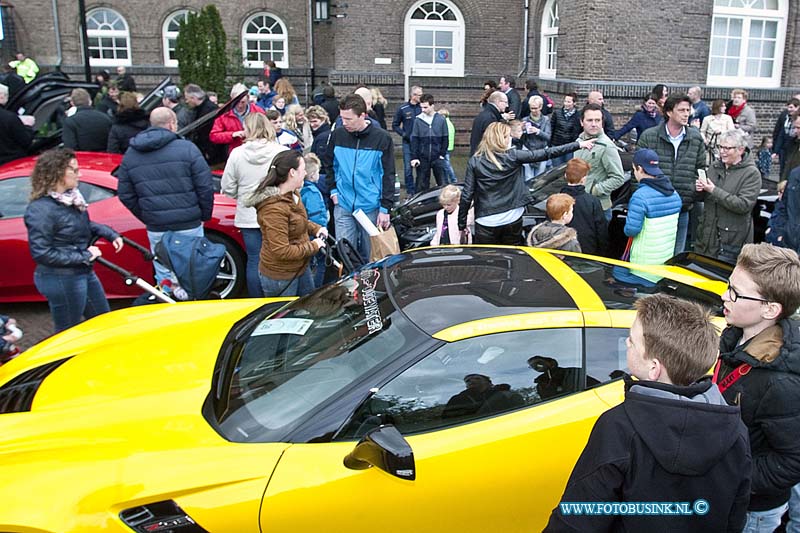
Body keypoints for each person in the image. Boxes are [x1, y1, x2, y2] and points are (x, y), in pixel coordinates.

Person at [545, 294, 751, 532]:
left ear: (654, 368)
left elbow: (579, 518)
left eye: (632, 340)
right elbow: (735, 517)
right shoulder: (735, 430)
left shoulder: (619, 427)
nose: (626, 343)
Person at [714, 243, 800, 532]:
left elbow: (791, 461)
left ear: (770, 309)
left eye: (735, 292)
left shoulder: (781, 383)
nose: (725, 296)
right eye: (729, 285)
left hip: (752, 511)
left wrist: (732, 476)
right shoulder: (736, 333)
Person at [24, 148, 124, 333]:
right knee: (67, 331)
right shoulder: (41, 210)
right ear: (58, 173)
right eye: (74, 170)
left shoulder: (71, 199)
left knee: (103, 320)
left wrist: (109, 233)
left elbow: (78, 225)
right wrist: (85, 255)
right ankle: (63, 361)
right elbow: (41, 252)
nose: (80, 174)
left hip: (81, 271)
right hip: (61, 277)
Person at [116, 108, 213, 291]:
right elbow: (205, 186)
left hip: (157, 225)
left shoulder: (132, 154)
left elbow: (125, 193)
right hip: (189, 222)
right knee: (193, 270)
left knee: (163, 271)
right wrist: (203, 214)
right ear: (172, 124)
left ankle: (168, 303)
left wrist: (147, 215)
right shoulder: (187, 149)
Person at [459, 122, 592, 245]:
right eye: (508, 136)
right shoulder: (513, 156)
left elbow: (467, 194)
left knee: (488, 263)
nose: (510, 139)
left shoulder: (475, 161)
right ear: (502, 139)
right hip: (512, 216)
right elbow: (547, 153)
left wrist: (462, 224)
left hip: (486, 219)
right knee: (512, 257)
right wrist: (578, 144)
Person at [321, 94, 395, 262]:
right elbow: (329, 164)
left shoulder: (382, 138)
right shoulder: (337, 135)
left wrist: (385, 208)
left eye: (349, 119)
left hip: (371, 206)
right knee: (345, 256)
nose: (344, 122)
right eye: (342, 118)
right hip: (343, 204)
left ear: (362, 115)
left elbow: (388, 173)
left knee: (373, 256)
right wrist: (333, 191)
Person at [221, 113, 287, 298]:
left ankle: (256, 301)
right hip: (276, 212)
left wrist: (242, 197)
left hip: (248, 214)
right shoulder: (280, 151)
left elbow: (227, 186)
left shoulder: (237, 153)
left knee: (254, 260)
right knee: (278, 258)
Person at [246, 150, 327, 297]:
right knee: (285, 317)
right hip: (281, 277)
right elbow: (281, 250)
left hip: (300, 268)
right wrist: (313, 246)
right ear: (292, 173)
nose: (305, 173)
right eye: (302, 170)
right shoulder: (273, 210)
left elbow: (298, 222)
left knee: (308, 309)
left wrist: (316, 229)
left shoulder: (293, 193)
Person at [637, 93, 707, 254]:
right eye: (681, 110)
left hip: (682, 207)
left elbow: (701, 168)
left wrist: (693, 191)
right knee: (653, 254)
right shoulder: (649, 136)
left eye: (688, 110)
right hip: (655, 209)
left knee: (676, 257)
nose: (686, 114)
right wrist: (641, 202)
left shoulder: (695, 137)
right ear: (669, 112)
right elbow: (638, 171)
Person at [695, 129, 760, 264]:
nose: (722, 151)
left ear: (740, 150)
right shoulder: (715, 166)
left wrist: (714, 190)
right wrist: (700, 190)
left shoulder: (751, 173)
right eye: (720, 147)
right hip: (707, 236)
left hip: (730, 241)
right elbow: (704, 198)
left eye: (727, 148)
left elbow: (743, 205)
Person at [617, 149, 682, 285]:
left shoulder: (640, 197)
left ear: (639, 169)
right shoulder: (674, 194)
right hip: (663, 261)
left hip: (642, 264)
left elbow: (631, 230)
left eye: (634, 169)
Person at [573, 103, 626, 221]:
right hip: (579, 204)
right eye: (589, 120)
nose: (594, 124)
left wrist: (595, 190)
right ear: (582, 122)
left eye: (597, 120)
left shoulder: (607, 146)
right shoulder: (579, 141)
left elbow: (618, 178)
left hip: (598, 208)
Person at [560, 158, 607, 256]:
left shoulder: (556, 200)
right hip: (587, 251)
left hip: (561, 250)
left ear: (565, 175)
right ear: (583, 179)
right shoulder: (593, 201)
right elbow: (601, 231)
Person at [210, 83, 266, 156]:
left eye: (243, 102)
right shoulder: (223, 114)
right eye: (236, 102)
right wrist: (232, 134)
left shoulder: (258, 111)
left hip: (257, 151)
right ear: (232, 99)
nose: (240, 105)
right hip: (235, 154)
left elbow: (267, 130)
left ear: (248, 98)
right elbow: (214, 136)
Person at [300, 153, 329, 288]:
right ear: (312, 175)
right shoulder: (313, 192)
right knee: (320, 263)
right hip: (314, 235)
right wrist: (321, 230)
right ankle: (316, 288)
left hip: (304, 234)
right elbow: (316, 215)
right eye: (318, 172)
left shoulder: (300, 190)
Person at [410, 94, 449, 192]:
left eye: (425, 107)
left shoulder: (441, 120)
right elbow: (414, 140)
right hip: (423, 157)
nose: (423, 110)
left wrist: (442, 154)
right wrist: (415, 157)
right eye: (421, 107)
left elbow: (445, 138)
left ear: (432, 106)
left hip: (437, 157)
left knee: (443, 184)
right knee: (421, 185)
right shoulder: (418, 120)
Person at [441, 373, 523, 420]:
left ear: (490, 383)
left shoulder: (505, 394)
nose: (471, 381)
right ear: (466, 386)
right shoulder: (458, 399)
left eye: (477, 378)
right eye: (468, 381)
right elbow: (447, 420)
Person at [183, 83, 225, 163]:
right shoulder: (198, 109)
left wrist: (208, 153)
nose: (186, 101)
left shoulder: (210, 110)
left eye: (187, 98)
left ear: (193, 98)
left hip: (212, 155)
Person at [393, 86, 423, 195]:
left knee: (421, 168)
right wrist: (404, 134)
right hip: (408, 143)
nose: (420, 97)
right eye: (418, 95)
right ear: (412, 95)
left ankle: (419, 191)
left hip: (421, 143)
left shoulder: (422, 108)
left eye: (421, 95)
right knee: (407, 169)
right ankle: (410, 192)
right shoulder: (403, 109)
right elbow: (395, 125)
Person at [0, 83, 35, 165]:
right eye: (6, 95)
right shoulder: (9, 118)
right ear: (1, 96)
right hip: (12, 164)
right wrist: (28, 126)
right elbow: (25, 141)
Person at [521, 95, 552, 178]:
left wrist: (538, 131)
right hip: (528, 150)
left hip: (542, 150)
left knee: (540, 176)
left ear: (541, 107)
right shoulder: (525, 120)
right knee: (528, 176)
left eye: (536, 108)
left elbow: (548, 137)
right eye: (532, 108)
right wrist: (522, 130)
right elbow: (520, 138)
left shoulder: (546, 120)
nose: (533, 110)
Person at [469, 91, 507, 156]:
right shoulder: (491, 118)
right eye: (505, 102)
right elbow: (491, 142)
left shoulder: (484, 114)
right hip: (484, 156)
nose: (507, 105)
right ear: (498, 102)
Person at [772, 98, 799, 176]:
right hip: (784, 147)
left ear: (797, 107)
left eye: (791, 107)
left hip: (794, 146)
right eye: (788, 107)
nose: (789, 109)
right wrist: (776, 150)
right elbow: (781, 134)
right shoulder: (785, 117)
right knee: (783, 168)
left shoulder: (797, 119)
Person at [764, 179, 788, 248]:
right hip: (773, 237)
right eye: (779, 192)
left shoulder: (790, 208)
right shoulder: (778, 204)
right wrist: (769, 228)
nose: (779, 194)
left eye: (781, 192)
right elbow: (773, 218)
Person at [437, 108, 458, 184]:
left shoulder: (445, 124)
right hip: (449, 147)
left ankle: (453, 179)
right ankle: (447, 181)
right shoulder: (449, 123)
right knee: (445, 165)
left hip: (445, 147)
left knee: (447, 165)